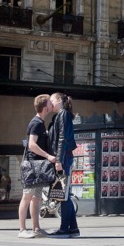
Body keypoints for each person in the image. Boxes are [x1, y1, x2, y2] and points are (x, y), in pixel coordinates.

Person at [19, 94, 57, 239]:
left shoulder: (40, 123)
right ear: (45, 107)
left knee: (36, 198)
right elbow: (31, 145)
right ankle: (22, 229)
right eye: (50, 102)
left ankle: (36, 228)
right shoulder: (36, 123)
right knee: (27, 196)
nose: (52, 104)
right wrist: (48, 156)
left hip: (38, 166)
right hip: (33, 165)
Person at [47, 92, 79, 238]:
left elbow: (62, 139)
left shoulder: (63, 114)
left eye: (51, 100)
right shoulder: (60, 115)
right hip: (64, 158)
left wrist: (58, 160)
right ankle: (73, 228)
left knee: (63, 195)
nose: (50, 103)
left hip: (64, 158)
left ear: (59, 100)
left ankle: (65, 228)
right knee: (63, 194)